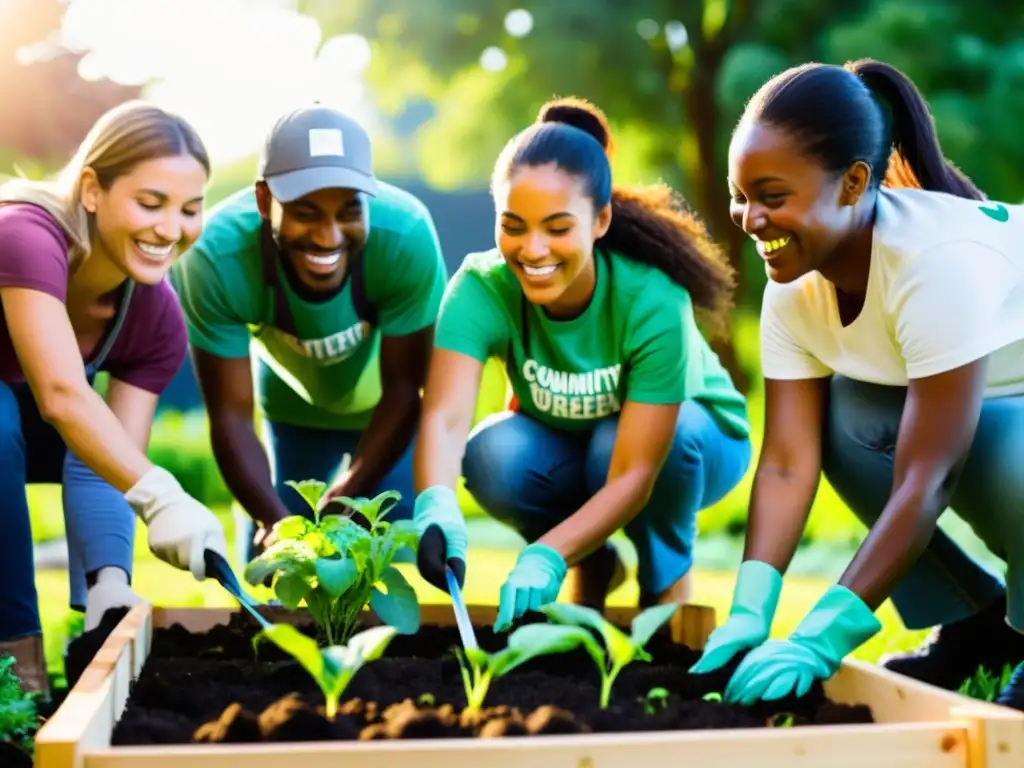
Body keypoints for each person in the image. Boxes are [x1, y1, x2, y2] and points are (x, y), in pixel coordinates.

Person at [688, 58, 1024, 709]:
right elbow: (788, 463)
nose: (750, 218)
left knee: (1015, 461)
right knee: (845, 420)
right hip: (1000, 393)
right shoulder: (796, 284)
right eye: (741, 194)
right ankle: (975, 624)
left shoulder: (933, 267)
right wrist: (750, 612)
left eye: (773, 196)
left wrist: (822, 637)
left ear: (852, 184)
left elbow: (930, 478)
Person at [410, 97, 752, 631]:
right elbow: (445, 416)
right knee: (493, 453)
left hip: (696, 439)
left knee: (617, 445)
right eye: (514, 225)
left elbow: (635, 471)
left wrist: (544, 554)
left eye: (557, 227)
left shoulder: (651, 297)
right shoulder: (481, 287)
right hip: (579, 443)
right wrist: (435, 506)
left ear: (600, 221)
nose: (533, 248)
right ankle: (591, 563)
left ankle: (666, 586)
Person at [0, 100, 231, 696]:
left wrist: (109, 582)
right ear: (92, 190)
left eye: (190, 209)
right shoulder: (25, 236)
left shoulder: (156, 318)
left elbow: (108, 457)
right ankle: (16, 663)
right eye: (150, 204)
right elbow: (60, 396)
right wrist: (164, 498)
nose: (170, 230)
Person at [171, 104, 447, 566]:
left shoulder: (405, 235)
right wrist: (272, 521)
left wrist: (349, 495)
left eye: (348, 211)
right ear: (264, 202)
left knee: (381, 560)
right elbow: (230, 414)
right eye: (305, 212)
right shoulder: (215, 256)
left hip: (387, 412)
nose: (328, 236)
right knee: (274, 573)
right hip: (291, 409)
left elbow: (405, 388)